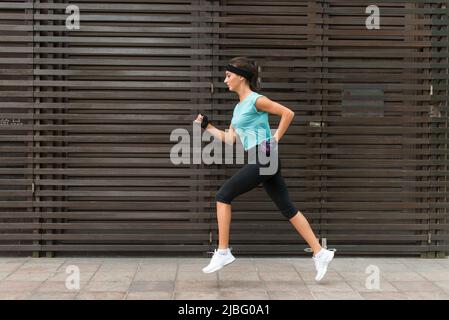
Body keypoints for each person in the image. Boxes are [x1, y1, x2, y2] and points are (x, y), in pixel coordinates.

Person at [193, 57, 334, 282]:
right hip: (265, 159)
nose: (225, 80)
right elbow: (230, 140)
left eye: (228, 75)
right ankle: (320, 252)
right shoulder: (238, 108)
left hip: (265, 156)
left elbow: (288, 113)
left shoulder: (256, 100)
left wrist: (275, 138)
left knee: (223, 196)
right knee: (288, 209)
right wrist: (207, 126)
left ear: (241, 76)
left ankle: (223, 251)